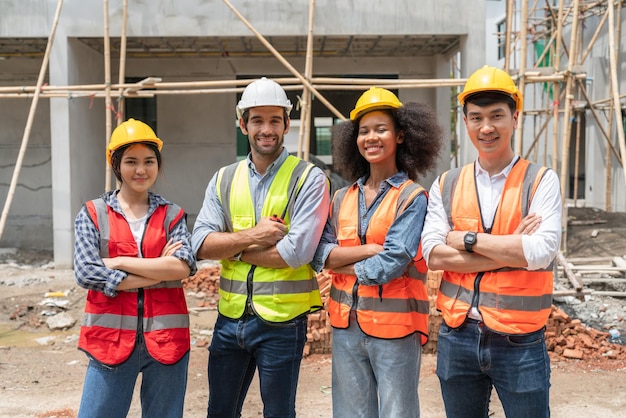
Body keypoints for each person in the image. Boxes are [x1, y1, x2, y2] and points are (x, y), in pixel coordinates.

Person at [421, 65, 563, 418]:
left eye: (497, 116)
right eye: (476, 117)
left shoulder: (540, 181)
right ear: (465, 123)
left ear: (515, 118)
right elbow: (434, 255)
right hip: (458, 335)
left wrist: (465, 239)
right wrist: (510, 246)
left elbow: (540, 253)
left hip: (520, 340)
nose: (486, 127)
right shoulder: (447, 183)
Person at [191, 77, 330, 418]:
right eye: (257, 120)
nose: (266, 129)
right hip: (229, 318)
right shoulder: (224, 178)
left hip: (283, 323)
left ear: (286, 124)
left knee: (278, 413)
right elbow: (200, 244)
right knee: (219, 412)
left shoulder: (308, 178)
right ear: (243, 124)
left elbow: (296, 253)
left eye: (274, 120)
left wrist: (230, 247)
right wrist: (253, 236)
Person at [311, 87, 443, 417]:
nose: (371, 137)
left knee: (397, 413)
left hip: (396, 330)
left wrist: (342, 261)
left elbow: (391, 264)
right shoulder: (341, 198)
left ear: (400, 135)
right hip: (345, 327)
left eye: (380, 129)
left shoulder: (413, 198)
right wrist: (369, 250)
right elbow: (319, 256)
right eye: (364, 131)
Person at [73, 118, 197, 418]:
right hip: (109, 342)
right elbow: (87, 273)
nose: (141, 170)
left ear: (158, 164)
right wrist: (159, 269)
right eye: (131, 161)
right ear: (116, 165)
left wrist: (118, 262)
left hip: (167, 341)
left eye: (148, 161)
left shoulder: (172, 215)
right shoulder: (92, 214)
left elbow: (183, 267)